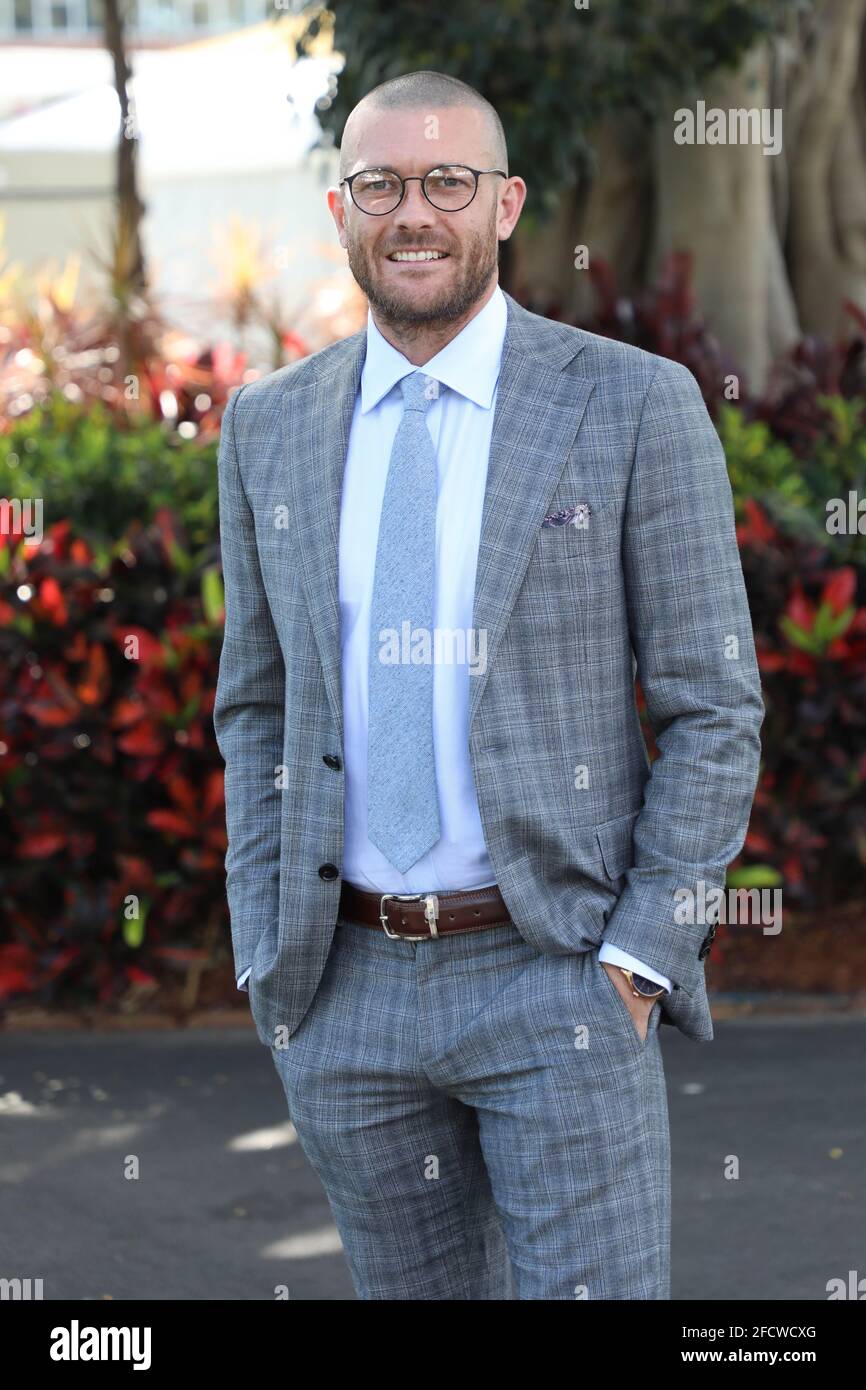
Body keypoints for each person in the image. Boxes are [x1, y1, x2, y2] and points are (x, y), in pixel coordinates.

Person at [213, 69, 765, 1300]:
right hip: (342, 990)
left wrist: (637, 958)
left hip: (554, 979)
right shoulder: (269, 426)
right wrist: (268, 952)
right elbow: (255, 708)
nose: (414, 212)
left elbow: (712, 705)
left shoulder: (631, 404)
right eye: (381, 185)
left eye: (447, 181)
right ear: (340, 208)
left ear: (505, 203)